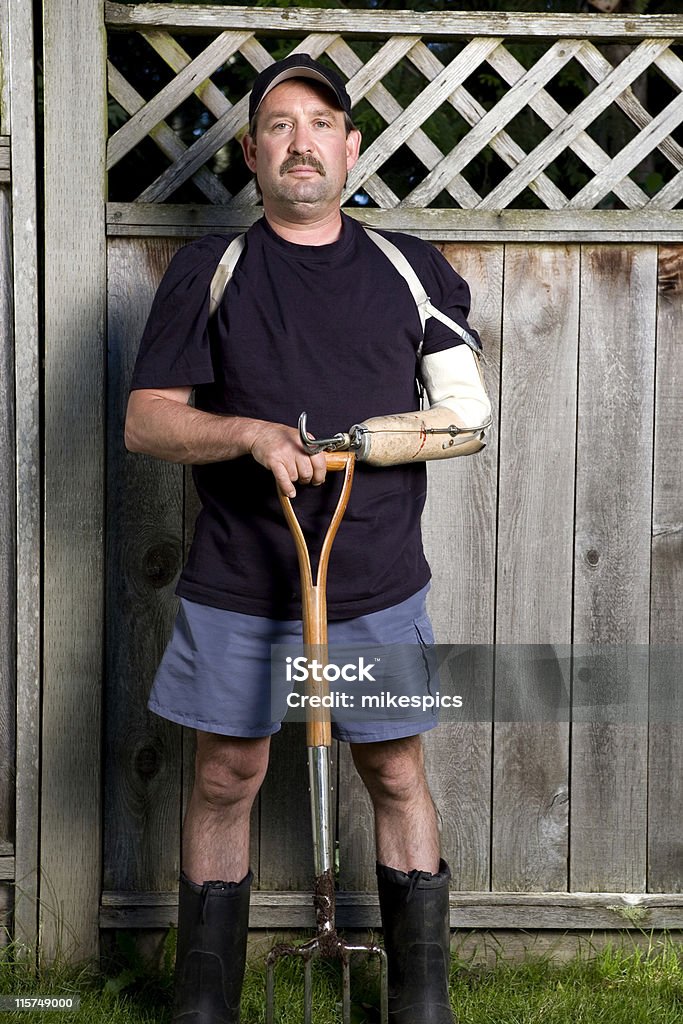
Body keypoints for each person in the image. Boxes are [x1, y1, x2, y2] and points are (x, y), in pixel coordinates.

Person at [125, 53, 491, 1024]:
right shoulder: (210, 271)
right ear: (251, 152)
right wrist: (245, 433)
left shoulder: (408, 267)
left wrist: (366, 443)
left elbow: (465, 413)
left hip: (370, 578)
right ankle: (204, 1000)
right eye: (279, 124)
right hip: (236, 579)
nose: (300, 140)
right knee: (222, 772)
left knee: (394, 767)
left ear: (351, 146)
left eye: (320, 122)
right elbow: (149, 422)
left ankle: (420, 998)